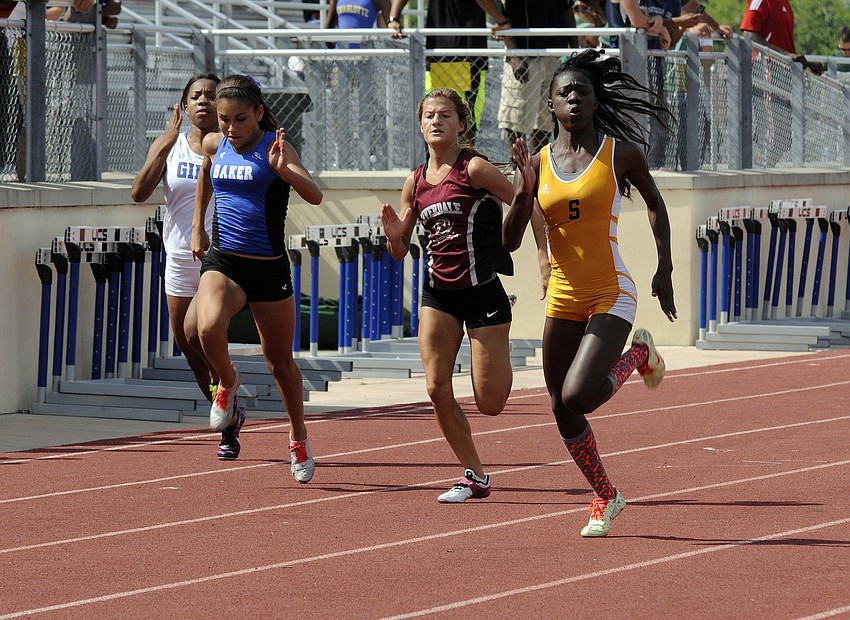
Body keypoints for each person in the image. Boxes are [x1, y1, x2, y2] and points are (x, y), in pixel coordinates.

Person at [503, 50, 677, 537]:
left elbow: (656, 203)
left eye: (582, 90)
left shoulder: (620, 154)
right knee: (559, 406)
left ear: (595, 99)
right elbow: (509, 240)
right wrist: (523, 191)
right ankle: (606, 494)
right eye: (565, 92)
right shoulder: (536, 163)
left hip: (610, 292)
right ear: (551, 105)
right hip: (562, 295)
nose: (574, 97)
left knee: (578, 394)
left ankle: (637, 352)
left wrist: (664, 267)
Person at [381, 87, 518, 503]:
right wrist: (394, 238)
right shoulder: (415, 181)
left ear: (461, 123)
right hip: (438, 295)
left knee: (490, 403)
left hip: (482, 293)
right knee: (437, 389)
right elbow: (401, 249)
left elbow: (527, 204)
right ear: (420, 125)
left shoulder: (474, 169)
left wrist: (545, 260)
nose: (436, 121)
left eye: (444, 115)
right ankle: (474, 474)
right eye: (428, 116)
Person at [191, 74, 324, 483]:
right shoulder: (216, 143)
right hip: (225, 261)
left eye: (240, 119)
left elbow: (315, 195)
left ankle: (298, 438)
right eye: (224, 118)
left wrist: (285, 170)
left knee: (280, 364)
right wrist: (199, 225)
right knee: (207, 327)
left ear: (260, 114)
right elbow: (206, 175)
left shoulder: (275, 148)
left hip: (268, 268)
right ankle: (228, 385)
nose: (231, 128)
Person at [130, 74, 248, 461]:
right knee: (190, 347)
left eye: (211, 96)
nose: (203, 101)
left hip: (220, 259)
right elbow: (138, 193)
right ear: (184, 105)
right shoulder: (172, 146)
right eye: (195, 96)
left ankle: (227, 413)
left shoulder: (232, 146)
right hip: (179, 257)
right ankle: (228, 414)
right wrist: (163, 145)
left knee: (201, 332)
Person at [388, 0, 511, 143]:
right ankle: (457, 164)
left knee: (439, 119)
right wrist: (501, 21)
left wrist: (393, 17)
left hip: (442, 50)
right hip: (464, 50)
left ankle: (445, 163)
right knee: (462, 120)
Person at [497, 0, 578, 155]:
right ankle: (518, 166)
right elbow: (501, 12)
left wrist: (575, 51)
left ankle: (537, 164)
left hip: (554, 55)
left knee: (546, 117)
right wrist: (513, 53)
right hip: (524, 54)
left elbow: (567, 8)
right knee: (517, 116)